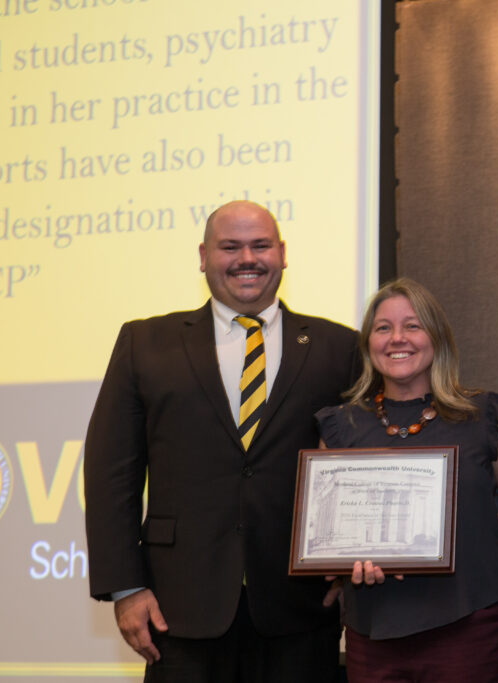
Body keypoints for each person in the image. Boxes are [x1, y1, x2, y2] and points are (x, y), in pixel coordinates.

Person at [84, 200, 359, 682]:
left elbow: (361, 466)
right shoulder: (144, 343)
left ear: (283, 253)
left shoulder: (339, 347)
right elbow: (111, 475)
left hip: (301, 609)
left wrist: (347, 565)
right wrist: (125, 587)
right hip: (179, 607)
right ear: (204, 256)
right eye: (229, 246)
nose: (246, 258)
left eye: (260, 245)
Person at [315, 277, 498, 683]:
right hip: (373, 631)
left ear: (437, 338)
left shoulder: (480, 416)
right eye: (383, 328)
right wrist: (344, 566)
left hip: (467, 625)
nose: (397, 338)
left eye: (412, 325)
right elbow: (325, 538)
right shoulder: (341, 427)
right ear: (368, 343)